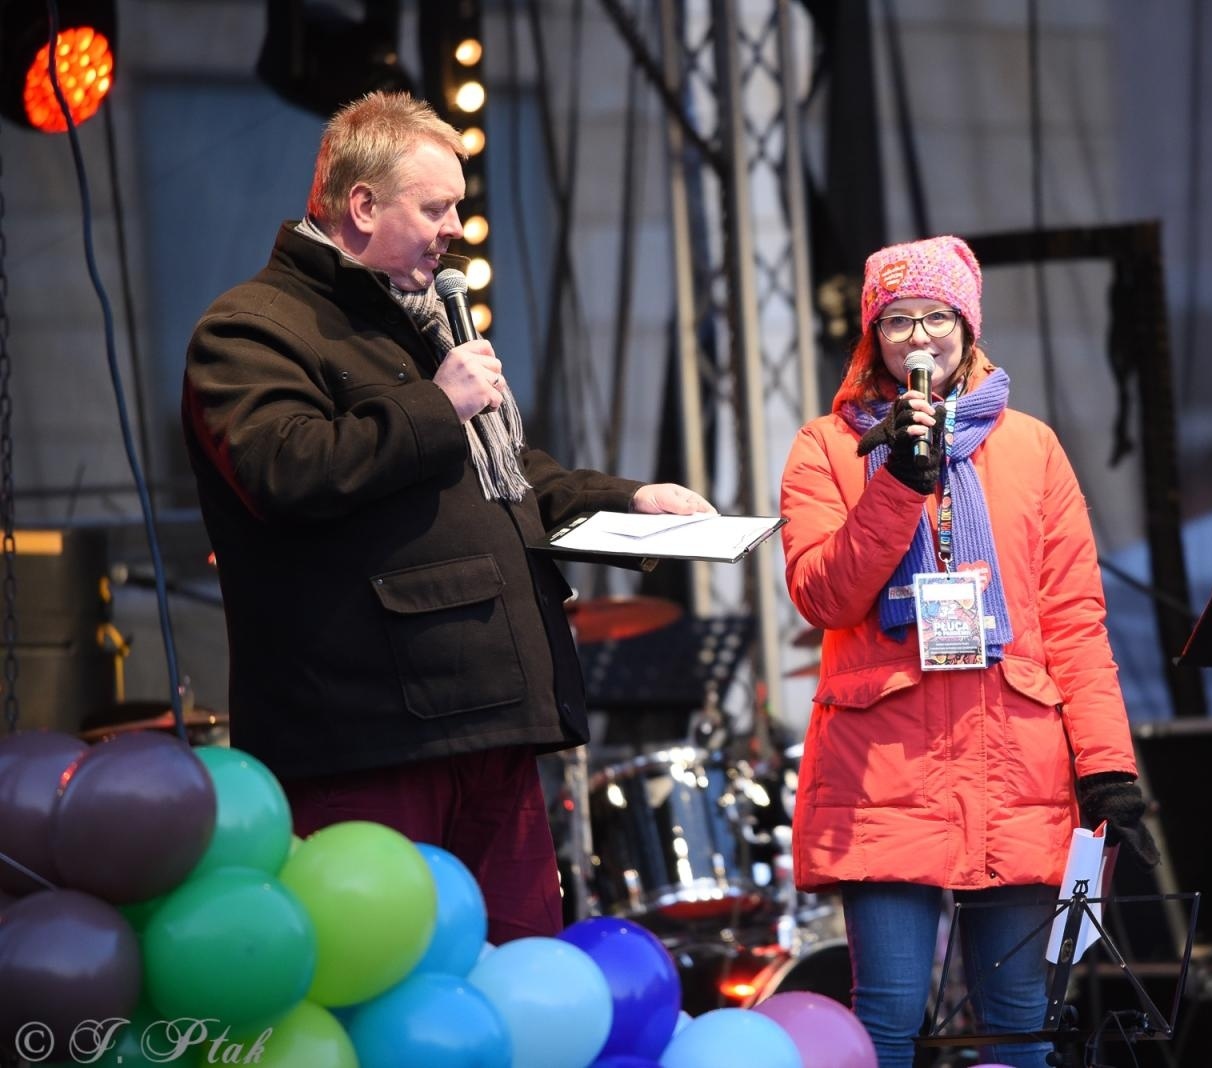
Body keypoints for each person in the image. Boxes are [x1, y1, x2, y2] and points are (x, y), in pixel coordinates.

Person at [182, 92, 712, 944]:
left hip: (492, 723)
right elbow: (284, 467)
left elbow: (504, 481)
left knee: (518, 970)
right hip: (368, 740)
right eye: (436, 208)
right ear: (361, 205)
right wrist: (436, 405)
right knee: (385, 979)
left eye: (457, 206)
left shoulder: (423, 323)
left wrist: (628, 503)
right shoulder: (251, 328)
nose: (457, 227)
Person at [778, 235, 1159, 1068]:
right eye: (899, 321)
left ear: (968, 325)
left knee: (1019, 1023)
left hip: (1013, 763)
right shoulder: (828, 448)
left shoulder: (1032, 447)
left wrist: (1107, 765)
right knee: (885, 1017)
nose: (920, 338)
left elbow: (1074, 620)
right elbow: (823, 595)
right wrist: (897, 484)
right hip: (884, 768)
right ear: (873, 337)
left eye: (937, 318)